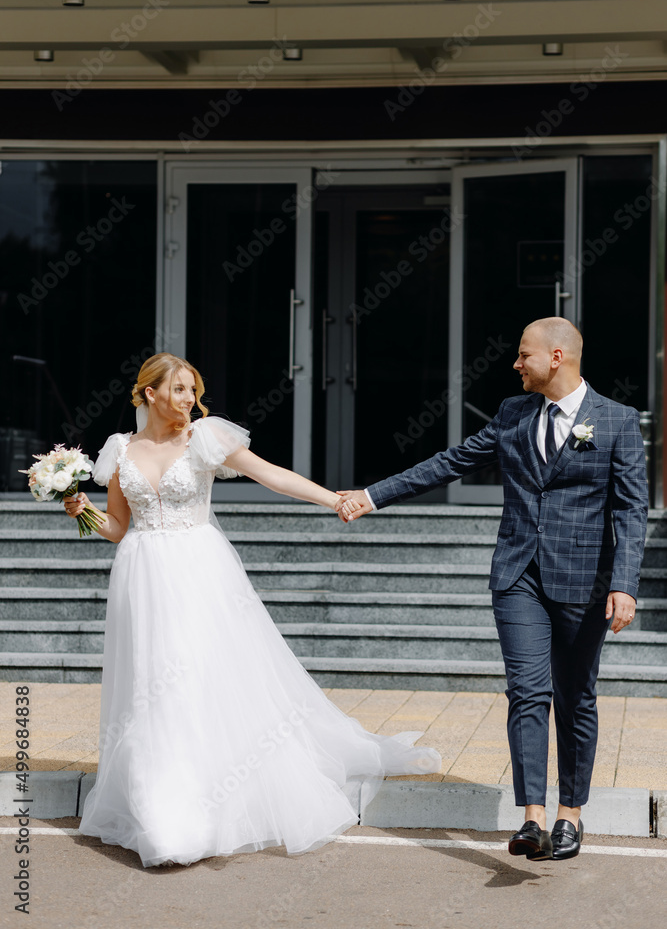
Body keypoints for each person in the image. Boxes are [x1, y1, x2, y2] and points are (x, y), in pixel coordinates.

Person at [64, 353, 440, 868]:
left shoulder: (204, 439)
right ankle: (156, 803)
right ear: (148, 393)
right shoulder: (119, 451)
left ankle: (195, 806)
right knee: (147, 684)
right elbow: (118, 527)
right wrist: (81, 510)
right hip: (140, 576)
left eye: (192, 391)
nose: (189, 401)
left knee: (190, 680)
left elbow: (272, 476)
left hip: (198, 573)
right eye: (178, 390)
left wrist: (335, 500)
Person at [338, 317, 648, 861]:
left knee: (576, 698)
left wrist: (624, 584)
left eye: (524, 354)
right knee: (527, 691)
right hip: (517, 575)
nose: (515, 363)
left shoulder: (617, 421)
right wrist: (373, 495)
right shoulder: (512, 413)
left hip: (584, 582)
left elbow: (632, 509)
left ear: (556, 358)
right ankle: (532, 818)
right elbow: (452, 462)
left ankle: (570, 815)